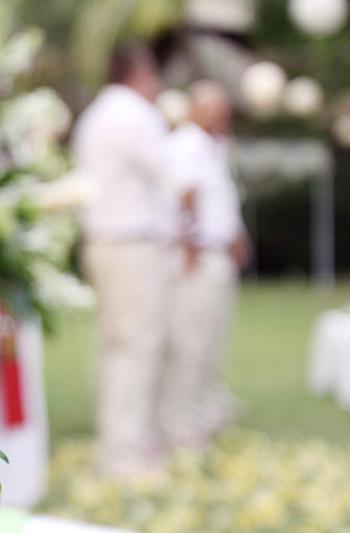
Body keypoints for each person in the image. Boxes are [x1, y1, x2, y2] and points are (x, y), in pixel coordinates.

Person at [72, 43, 172, 481]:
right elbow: (169, 170)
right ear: (140, 71)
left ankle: (123, 443)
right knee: (136, 346)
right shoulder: (134, 113)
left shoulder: (96, 113)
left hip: (103, 240)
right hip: (131, 243)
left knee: (117, 345)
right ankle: (124, 454)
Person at [159, 80, 250, 450]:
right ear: (196, 109)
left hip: (218, 254)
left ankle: (205, 406)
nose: (223, 118)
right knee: (191, 341)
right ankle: (180, 421)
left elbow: (221, 201)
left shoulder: (213, 147)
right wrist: (191, 242)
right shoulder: (187, 144)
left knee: (212, 338)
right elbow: (184, 197)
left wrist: (237, 237)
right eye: (216, 111)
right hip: (200, 257)